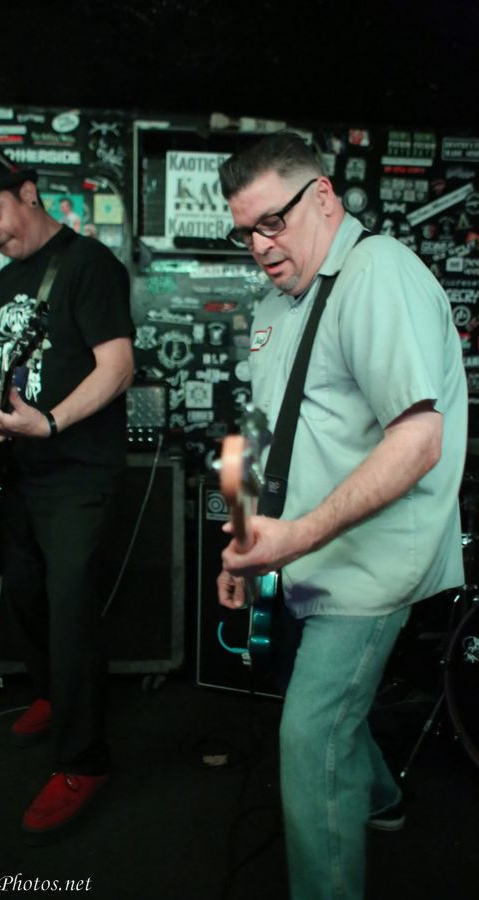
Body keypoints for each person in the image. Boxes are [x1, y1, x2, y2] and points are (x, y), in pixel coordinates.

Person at [216, 132, 467, 900]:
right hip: (299, 558)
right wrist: (243, 537)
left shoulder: (376, 272)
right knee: (328, 715)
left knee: (309, 733)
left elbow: (419, 440)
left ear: (323, 196)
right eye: (244, 231)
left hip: (366, 567)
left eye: (272, 222)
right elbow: (260, 432)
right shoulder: (274, 303)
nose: (260, 246)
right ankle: (381, 798)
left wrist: (293, 537)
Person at [0, 149, 134, 842]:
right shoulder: (6, 282)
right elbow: (0, 374)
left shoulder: (89, 265)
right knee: (22, 586)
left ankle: (84, 761)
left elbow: (118, 367)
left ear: (29, 193)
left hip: (79, 470)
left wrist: (51, 422)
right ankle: (52, 694)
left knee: (71, 606)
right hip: (22, 466)